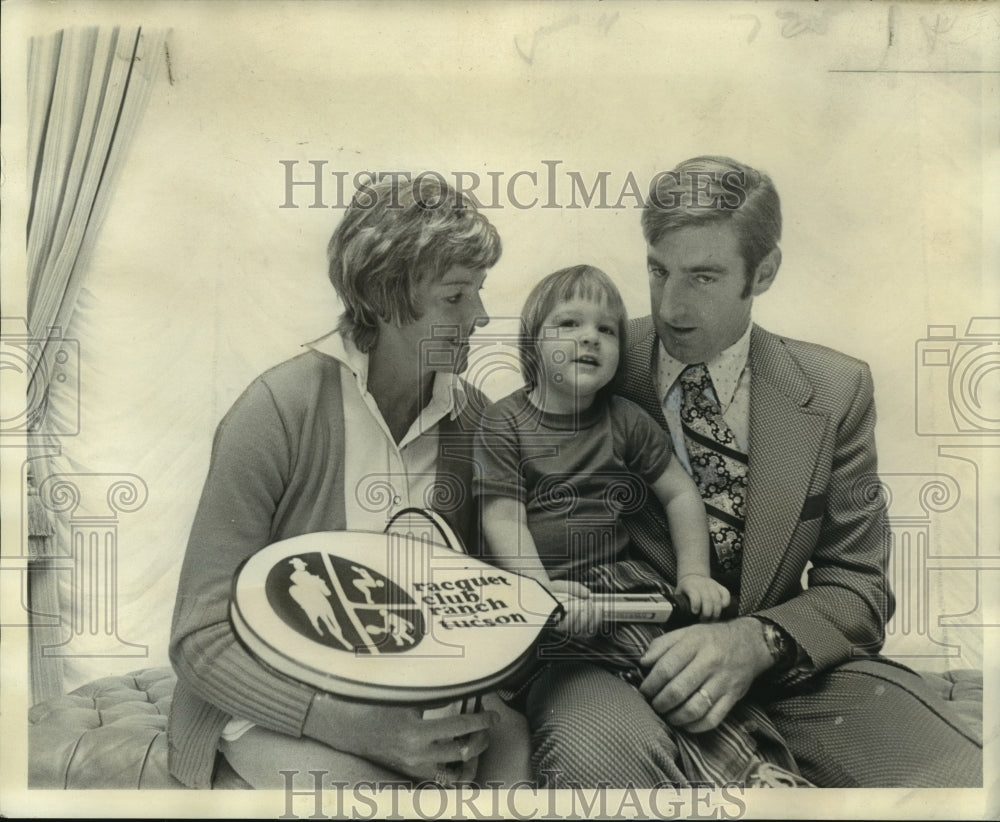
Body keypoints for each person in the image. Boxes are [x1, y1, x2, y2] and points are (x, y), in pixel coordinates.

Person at [524, 156, 984, 788]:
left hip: (791, 677)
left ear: (763, 272)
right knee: (596, 762)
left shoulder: (834, 390)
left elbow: (860, 590)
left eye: (704, 277)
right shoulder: (585, 361)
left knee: (961, 777)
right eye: (659, 271)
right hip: (612, 672)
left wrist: (757, 641)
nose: (671, 306)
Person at [168, 176, 531, 789]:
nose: (481, 315)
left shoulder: (473, 419)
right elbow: (199, 637)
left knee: (518, 765)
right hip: (272, 707)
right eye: (455, 296)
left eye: (478, 292)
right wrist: (361, 731)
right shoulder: (277, 411)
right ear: (387, 301)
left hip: (409, 702)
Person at [474, 264, 808, 786]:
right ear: (532, 343)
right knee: (655, 667)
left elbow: (679, 493)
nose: (590, 337)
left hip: (621, 587)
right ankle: (746, 773)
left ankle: (756, 768)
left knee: (676, 665)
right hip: (542, 603)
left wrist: (694, 574)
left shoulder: (624, 418)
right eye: (569, 324)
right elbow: (501, 512)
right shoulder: (504, 422)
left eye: (606, 329)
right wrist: (539, 592)